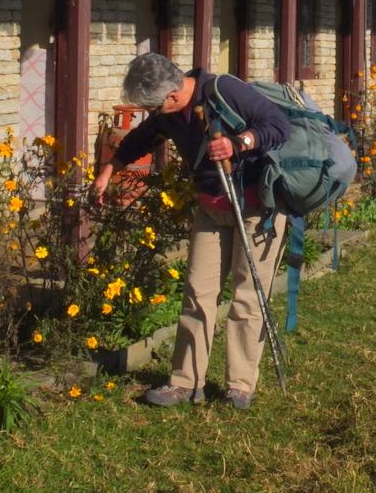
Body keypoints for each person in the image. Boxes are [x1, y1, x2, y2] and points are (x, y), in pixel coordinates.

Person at [93, 54, 290, 409]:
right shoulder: (167, 115)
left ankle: (240, 385)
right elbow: (141, 139)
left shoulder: (223, 89)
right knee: (197, 293)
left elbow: (278, 125)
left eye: (153, 106)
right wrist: (111, 169)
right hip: (212, 209)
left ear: (171, 96)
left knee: (247, 297)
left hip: (256, 209)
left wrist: (239, 142)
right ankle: (186, 381)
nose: (153, 113)